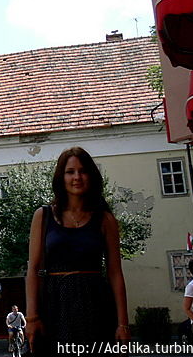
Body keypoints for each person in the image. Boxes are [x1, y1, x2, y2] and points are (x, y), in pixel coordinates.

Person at [26, 147, 130, 356]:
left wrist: (123, 324)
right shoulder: (43, 216)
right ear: (61, 177)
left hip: (95, 304)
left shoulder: (105, 220)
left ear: (91, 176)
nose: (77, 177)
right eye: (70, 171)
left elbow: (115, 273)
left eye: (82, 171)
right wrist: (32, 317)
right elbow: (34, 269)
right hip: (54, 303)